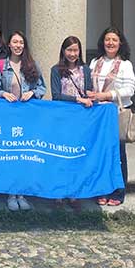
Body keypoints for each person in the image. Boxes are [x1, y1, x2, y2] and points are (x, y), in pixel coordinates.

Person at [0, 31, 46, 212]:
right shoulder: (1, 65)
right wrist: (3, 94)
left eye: (21, 42)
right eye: (14, 42)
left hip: (27, 116)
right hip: (7, 117)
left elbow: (42, 87)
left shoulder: (32, 64)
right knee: (10, 155)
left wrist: (32, 93)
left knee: (24, 155)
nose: (18, 45)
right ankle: (11, 193)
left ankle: (21, 193)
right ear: (9, 45)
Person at [87, 27, 135, 207]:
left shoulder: (125, 65)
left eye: (114, 40)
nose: (110, 43)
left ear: (120, 43)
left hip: (115, 114)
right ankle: (101, 190)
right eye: (107, 39)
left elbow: (130, 90)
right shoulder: (95, 62)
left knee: (117, 154)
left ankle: (118, 191)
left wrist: (107, 95)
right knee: (99, 153)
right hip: (97, 115)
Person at [50, 35, 94, 213]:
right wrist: (78, 99)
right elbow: (56, 95)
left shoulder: (86, 70)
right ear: (63, 51)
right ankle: (59, 193)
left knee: (77, 157)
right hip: (62, 119)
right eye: (69, 50)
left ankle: (74, 194)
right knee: (61, 156)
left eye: (76, 50)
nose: (72, 54)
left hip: (81, 120)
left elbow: (89, 92)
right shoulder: (56, 70)